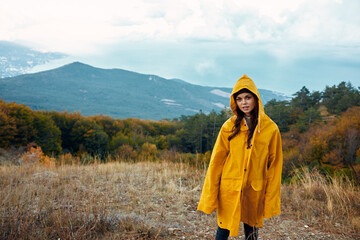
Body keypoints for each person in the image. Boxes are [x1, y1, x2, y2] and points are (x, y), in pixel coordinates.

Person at [197, 75, 283, 239]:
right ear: (235, 102)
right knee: (223, 231)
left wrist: (270, 197)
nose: (244, 102)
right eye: (239, 99)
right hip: (230, 188)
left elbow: (275, 165)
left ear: (256, 98)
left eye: (248, 98)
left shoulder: (271, 129)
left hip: (254, 189)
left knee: (252, 232)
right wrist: (210, 194)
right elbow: (216, 162)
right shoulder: (228, 127)